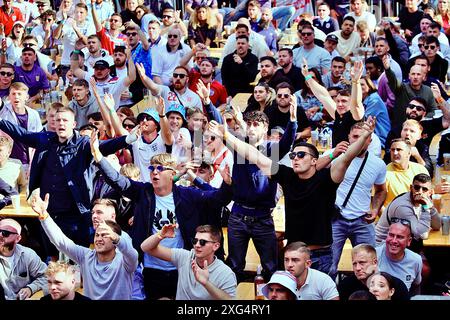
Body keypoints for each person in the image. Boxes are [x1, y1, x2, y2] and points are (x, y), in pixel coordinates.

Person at [209, 110, 376, 274]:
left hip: (321, 255)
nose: (295, 158)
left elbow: (347, 157)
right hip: (294, 254)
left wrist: (364, 137)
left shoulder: (327, 179)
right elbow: (255, 155)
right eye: (293, 155)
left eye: (301, 155)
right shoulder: (287, 176)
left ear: (314, 160)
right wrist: (227, 136)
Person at [90, 137, 233, 299]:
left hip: (179, 268)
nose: (154, 172)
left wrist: (227, 184)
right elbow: (118, 180)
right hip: (151, 268)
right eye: (152, 168)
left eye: (160, 168)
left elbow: (218, 199)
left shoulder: (188, 195)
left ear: (173, 174)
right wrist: (99, 158)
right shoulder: (143, 192)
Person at [0, 106, 139, 259]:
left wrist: (127, 139)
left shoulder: (83, 143)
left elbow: (105, 147)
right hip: (49, 212)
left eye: (65, 120)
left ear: (73, 124)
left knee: (78, 258)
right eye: (58, 120)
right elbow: (21, 134)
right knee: (52, 256)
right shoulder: (45, 139)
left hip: (76, 214)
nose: (61, 123)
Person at [32, 193, 139, 300]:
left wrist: (116, 238)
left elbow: (132, 254)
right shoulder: (86, 256)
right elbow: (61, 242)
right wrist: (44, 216)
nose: (94, 216)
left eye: (105, 235)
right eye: (97, 235)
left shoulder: (124, 259)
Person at [329, 122, 387, 280]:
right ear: (348, 137)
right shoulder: (334, 156)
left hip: (362, 221)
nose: (358, 140)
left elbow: (381, 190)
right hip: (336, 218)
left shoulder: (378, 164)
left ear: (370, 140)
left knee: (370, 269)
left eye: (364, 137)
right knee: (329, 267)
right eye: (355, 136)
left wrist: (375, 209)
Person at [141, 224, 236, 300]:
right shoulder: (184, 257)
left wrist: (206, 283)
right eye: (195, 241)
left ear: (215, 246)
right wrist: (160, 235)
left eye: (202, 242)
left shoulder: (225, 273)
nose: (197, 245)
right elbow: (146, 248)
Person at [376, 173, 441, 247]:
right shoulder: (403, 207)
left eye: (424, 189)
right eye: (416, 187)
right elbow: (422, 235)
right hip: (384, 246)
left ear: (430, 192)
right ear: (411, 188)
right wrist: (426, 208)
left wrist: (431, 208)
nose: (420, 191)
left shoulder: (424, 199)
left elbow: (437, 226)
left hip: (400, 243)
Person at [337, 243, 410, 300]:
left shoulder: (396, 285)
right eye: (354, 264)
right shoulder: (345, 286)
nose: (358, 268)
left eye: (362, 263)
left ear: (375, 262)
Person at [0, 218, 47, 300]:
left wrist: (31, 288)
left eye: (5, 233)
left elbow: (46, 276)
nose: (0, 235)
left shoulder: (28, 255)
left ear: (18, 238)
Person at [376, 222, 423, 294]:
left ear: (409, 241)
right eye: (391, 235)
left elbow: (416, 286)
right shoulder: (374, 256)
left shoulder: (416, 260)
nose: (394, 241)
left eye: (400, 237)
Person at [384, 138, 429, 206]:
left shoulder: (420, 169)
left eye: (399, 150)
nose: (395, 153)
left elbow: (427, 196)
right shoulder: (384, 173)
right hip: (394, 214)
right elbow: (377, 202)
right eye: (392, 150)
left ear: (409, 153)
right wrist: (387, 216)